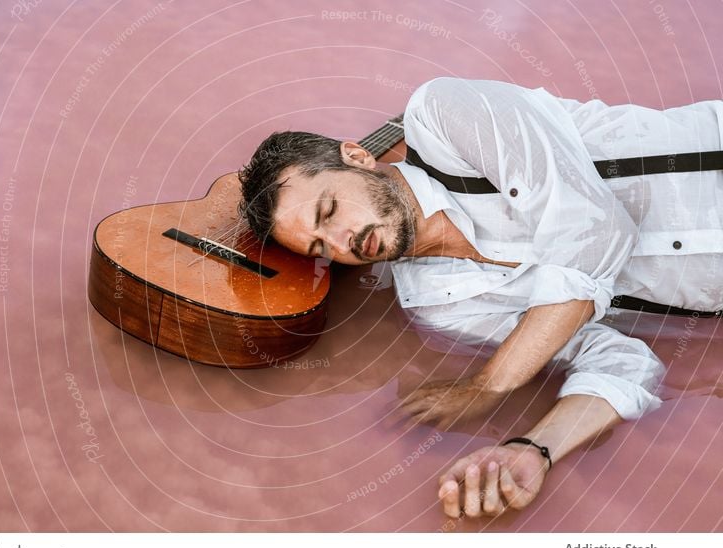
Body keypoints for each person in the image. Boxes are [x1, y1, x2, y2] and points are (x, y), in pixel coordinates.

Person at [236, 76, 723, 519]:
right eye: (321, 249)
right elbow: (622, 361)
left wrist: (488, 386)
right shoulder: (437, 303)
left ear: (358, 157)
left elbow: (596, 231)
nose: (344, 241)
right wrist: (533, 449)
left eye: (330, 209)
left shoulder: (444, 116)